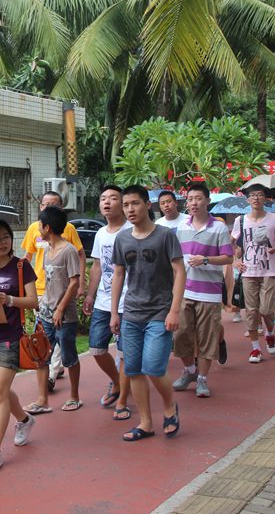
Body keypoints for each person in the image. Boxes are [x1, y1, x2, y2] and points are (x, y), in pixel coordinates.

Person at [110, 185, 184, 441]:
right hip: (131, 314)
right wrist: (114, 312)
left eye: (135, 203)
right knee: (133, 370)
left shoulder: (165, 236)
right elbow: (118, 274)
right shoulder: (122, 239)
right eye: (126, 205)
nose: (130, 209)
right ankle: (145, 423)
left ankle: (170, 405)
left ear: (147, 205)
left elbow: (180, 271)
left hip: (160, 312)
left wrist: (174, 310)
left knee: (153, 367)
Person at [0, 220, 39, 472]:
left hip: (11, 337)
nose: (2, 242)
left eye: (6, 236)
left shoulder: (22, 266)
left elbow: (33, 301)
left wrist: (10, 299)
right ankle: (24, 419)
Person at [172, 184, 234, 398]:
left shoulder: (219, 228)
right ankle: (190, 370)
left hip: (209, 292)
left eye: (198, 198)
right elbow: (176, 259)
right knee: (180, 335)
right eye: (190, 199)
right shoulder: (182, 227)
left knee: (207, 337)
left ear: (207, 201)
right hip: (184, 291)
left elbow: (228, 258)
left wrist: (205, 260)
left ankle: (202, 379)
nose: (193, 203)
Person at [21, 191, 86, 390]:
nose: (49, 207)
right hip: (42, 291)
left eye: (54, 205)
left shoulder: (67, 238)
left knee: (63, 343)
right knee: (43, 340)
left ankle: (54, 375)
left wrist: (80, 285)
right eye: (46, 204)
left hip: (62, 297)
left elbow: (77, 265)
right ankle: (49, 376)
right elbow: (27, 257)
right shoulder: (37, 234)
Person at [82, 186, 132, 420]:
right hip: (103, 301)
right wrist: (90, 295)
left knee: (125, 352)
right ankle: (117, 381)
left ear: (122, 203)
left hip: (129, 302)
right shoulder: (101, 233)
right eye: (103, 198)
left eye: (113, 198)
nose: (107, 202)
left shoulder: (132, 230)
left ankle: (122, 401)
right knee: (96, 348)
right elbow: (98, 266)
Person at [231, 185, 275, 363]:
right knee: (251, 312)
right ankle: (255, 348)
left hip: (269, 270)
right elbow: (232, 244)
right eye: (252, 195)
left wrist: (274, 249)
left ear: (265, 198)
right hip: (248, 272)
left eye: (260, 195)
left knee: (267, 310)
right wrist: (235, 260)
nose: (256, 198)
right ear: (247, 199)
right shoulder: (240, 221)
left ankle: (270, 333)